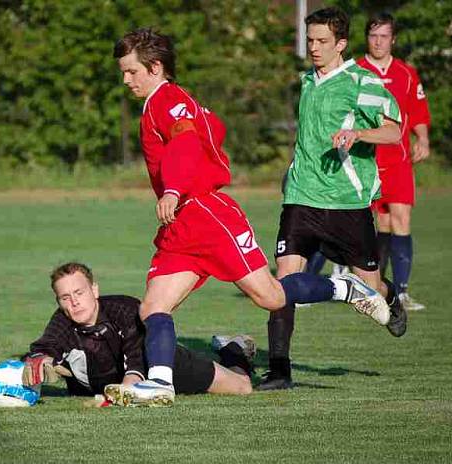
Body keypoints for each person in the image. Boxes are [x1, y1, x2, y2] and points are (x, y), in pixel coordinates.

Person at [112, 28, 390, 407]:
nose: (125, 80)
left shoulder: (167, 100)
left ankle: (347, 289)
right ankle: (160, 383)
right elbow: (212, 129)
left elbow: (186, 141)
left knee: (272, 297)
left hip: (206, 215)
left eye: (131, 72)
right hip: (180, 225)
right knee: (153, 307)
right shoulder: (170, 102)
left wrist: (175, 187)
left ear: (156, 67)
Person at [263, 7, 409, 391]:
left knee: (371, 287)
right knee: (283, 283)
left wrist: (358, 136)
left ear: (341, 44)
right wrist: (292, 170)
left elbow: (394, 132)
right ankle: (280, 370)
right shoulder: (308, 81)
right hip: (301, 199)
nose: (313, 47)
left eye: (322, 41)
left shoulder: (363, 82)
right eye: (310, 40)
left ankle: (391, 297)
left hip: (347, 205)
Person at [21, 262, 256, 404]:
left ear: (94, 290)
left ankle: (235, 350)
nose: (74, 302)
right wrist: (41, 361)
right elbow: (45, 346)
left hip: (166, 367)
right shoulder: (63, 318)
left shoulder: (125, 309)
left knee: (242, 387)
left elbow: (136, 358)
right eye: (65, 297)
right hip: (114, 384)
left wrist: (127, 391)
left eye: (79, 292)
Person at [358, 13, 431, 311]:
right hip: (366, 161)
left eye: (384, 36)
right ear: (367, 38)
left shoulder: (406, 73)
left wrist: (422, 139)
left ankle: (401, 292)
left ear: (393, 39)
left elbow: (419, 110)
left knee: (401, 219)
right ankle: (376, 287)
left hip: (399, 161)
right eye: (374, 36)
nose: (378, 41)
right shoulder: (355, 72)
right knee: (379, 223)